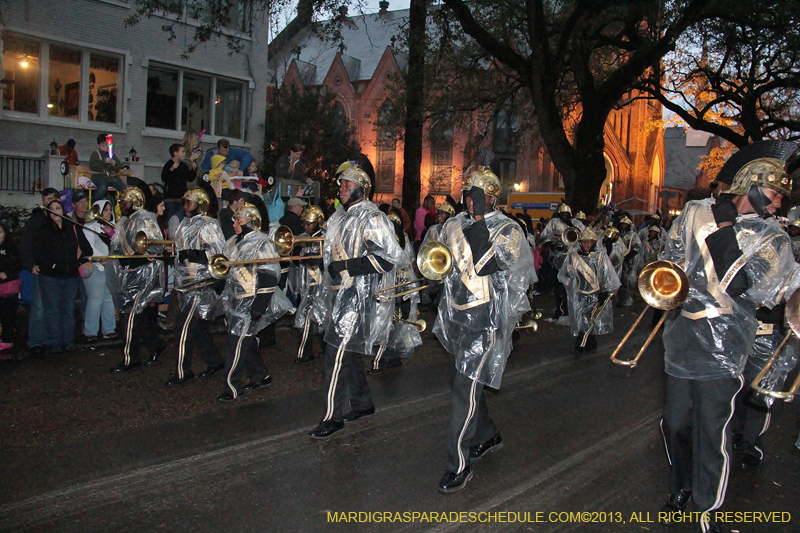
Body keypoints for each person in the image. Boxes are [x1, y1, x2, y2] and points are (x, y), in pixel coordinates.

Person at [659, 147, 800, 533]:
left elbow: (741, 285)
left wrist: (725, 229)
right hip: (683, 334)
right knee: (675, 424)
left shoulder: (772, 236)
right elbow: (671, 257)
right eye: (774, 196)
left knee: (711, 429)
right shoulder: (694, 211)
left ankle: (707, 509)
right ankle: (681, 485)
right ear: (752, 187)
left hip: (724, 346)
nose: (777, 205)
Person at [433, 166, 534, 493]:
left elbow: (488, 262)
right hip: (456, 319)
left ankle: (458, 465)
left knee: (465, 390)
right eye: (466, 194)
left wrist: (477, 222)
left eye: (476, 195)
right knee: (463, 385)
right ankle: (487, 434)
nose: (469, 201)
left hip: (486, 322)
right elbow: (441, 263)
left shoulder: (509, 229)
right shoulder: (453, 224)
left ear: (491, 197)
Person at [308, 165, 406, 439]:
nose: (340, 189)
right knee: (348, 353)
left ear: (360, 188)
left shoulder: (373, 218)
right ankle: (362, 402)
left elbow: (387, 258)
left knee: (335, 354)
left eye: (345, 185)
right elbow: (331, 254)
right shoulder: (340, 217)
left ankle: (332, 416)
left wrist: (346, 266)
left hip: (358, 297)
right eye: (340, 184)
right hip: (340, 294)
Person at [217, 203, 294, 402]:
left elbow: (269, 276)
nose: (234, 224)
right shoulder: (233, 242)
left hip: (251, 301)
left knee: (236, 343)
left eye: (238, 220)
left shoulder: (262, 243)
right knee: (246, 340)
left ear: (251, 221)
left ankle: (232, 386)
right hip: (235, 300)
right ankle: (261, 375)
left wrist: (259, 307)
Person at [167, 188, 226, 386]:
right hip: (187, 283)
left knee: (183, 327)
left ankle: (182, 372)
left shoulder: (209, 224)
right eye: (184, 203)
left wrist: (193, 255)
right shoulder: (185, 223)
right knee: (199, 327)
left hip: (200, 285)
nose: (185, 207)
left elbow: (218, 254)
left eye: (189, 203)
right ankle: (215, 361)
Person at [107, 186, 167, 372]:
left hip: (143, 273)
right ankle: (155, 344)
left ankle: (130, 358)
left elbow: (155, 247)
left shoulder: (145, 219)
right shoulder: (126, 221)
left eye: (124, 202)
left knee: (130, 316)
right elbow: (117, 246)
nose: (122, 206)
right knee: (135, 316)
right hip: (129, 272)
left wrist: (138, 252)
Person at [32, 200, 93, 353]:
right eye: (51, 209)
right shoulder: (44, 230)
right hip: (51, 277)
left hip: (71, 276)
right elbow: (38, 251)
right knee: (52, 309)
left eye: (57, 208)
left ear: (62, 210)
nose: (54, 211)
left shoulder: (72, 227)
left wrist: (78, 262)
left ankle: (68, 340)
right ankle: (54, 342)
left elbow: (87, 248)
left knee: (67, 309)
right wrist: (51, 265)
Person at [370, 209, 421, 374]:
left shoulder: (393, 241)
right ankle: (393, 357)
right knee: (394, 322)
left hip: (394, 286)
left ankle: (380, 361)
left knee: (385, 323)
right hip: (402, 286)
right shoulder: (404, 238)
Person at [558, 228, 620, 355]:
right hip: (579, 294)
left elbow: (607, 276)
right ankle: (589, 343)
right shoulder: (573, 256)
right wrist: (568, 286)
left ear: (594, 243)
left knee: (590, 320)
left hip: (595, 294)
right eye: (584, 242)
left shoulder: (600, 257)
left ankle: (580, 346)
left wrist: (604, 294)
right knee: (582, 321)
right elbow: (564, 274)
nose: (586, 245)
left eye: (589, 242)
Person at [20, 188, 60, 354]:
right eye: (44, 199)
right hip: (41, 270)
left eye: (50, 198)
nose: (47, 202)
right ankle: (36, 341)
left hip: (58, 271)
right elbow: (25, 246)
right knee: (39, 307)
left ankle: (53, 339)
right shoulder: (35, 221)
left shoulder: (61, 219)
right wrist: (31, 264)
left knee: (55, 306)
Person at [293, 206, 326, 364]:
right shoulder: (304, 237)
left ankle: (304, 352)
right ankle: (324, 348)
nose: (305, 227)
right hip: (305, 285)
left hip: (318, 285)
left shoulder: (325, 239)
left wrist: (307, 257)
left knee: (308, 318)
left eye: (309, 224)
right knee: (316, 319)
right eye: (304, 224)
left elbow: (321, 261)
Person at [540, 203, 583, 321]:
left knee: (574, 285)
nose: (564, 216)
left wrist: (572, 226)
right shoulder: (554, 222)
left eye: (566, 214)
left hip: (573, 260)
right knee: (559, 286)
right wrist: (552, 245)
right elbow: (544, 236)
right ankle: (560, 309)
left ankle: (573, 309)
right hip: (558, 259)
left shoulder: (576, 223)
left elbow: (584, 235)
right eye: (562, 214)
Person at [82, 200, 118, 343]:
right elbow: (89, 247)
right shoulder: (89, 227)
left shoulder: (110, 228)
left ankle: (109, 330)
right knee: (95, 300)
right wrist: (102, 259)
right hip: (96, 266)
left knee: (108, 299)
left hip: (108, 267)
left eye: (110, 209)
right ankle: (91, 332)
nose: (109, 212)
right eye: (106, 210)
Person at [162, 143, 200, 221]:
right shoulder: (168, 164)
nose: (184, 154)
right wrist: (171, 169)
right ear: (175, 153)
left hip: (182, 197)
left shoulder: (183, 165)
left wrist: (193, 169)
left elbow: (190, 178)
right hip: (171, 198)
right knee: (170, 218)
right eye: (182, 152)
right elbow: (164, 178)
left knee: (180, 218)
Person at [0, 223, 22, 356]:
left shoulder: (10, 248)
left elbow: (18, 264)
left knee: (7, 313)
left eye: (0, 232)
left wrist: (7, 274)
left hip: (8, 285)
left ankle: (7, 339)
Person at [88, 133, 129, 200]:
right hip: (99, 177)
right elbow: (93, 166)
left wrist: (114, 164)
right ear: (98, 145)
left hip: (111, 178)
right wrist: (104, 162)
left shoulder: (111, 154)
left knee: (125, 188)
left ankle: (122, 205)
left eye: (107, 144)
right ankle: (94, 204)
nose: (105, 146)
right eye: (103, 144)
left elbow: (118, 167)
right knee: (102, 187)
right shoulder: (95, 154)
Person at [615, 215, 640, 307]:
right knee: (619, 281)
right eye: (622, 224)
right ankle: (620, 299)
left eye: (625, 225)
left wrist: (629, 256)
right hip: (619, 261)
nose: (623, 226)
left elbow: (637, 247)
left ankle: (626, 298)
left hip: (629, 261)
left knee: (627, 281)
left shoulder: (633, 235)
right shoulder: (618, 234)